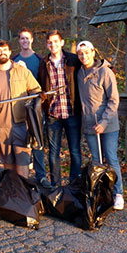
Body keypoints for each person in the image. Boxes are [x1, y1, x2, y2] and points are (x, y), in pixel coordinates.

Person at [76, 41, 124, 210]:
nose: (84, 56)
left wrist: (103, 122)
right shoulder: (80, 73)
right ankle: (101, 192)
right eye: (80, 54)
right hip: (89, 125)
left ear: (93, 52)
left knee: (111, 158)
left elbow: (113, 100)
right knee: (96, 161)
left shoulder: (105, 72)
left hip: (108, 125)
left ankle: (118, 193)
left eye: (87, 53)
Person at [0, 40, 42, 178]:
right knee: (8, 164)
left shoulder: (22, 71)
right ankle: (11, 193)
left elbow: (36, 90)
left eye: (5, 50)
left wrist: (32, 102)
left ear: (10, 52)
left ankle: (23, 193)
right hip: (0, 126)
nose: (2, 53)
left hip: (21, 125)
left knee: (23, 162)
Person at [37, 30, 83, 187]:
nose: (53, 45)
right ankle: (55, 186)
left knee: (75, 151)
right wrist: (42, 97)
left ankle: (74, 185)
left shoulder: (73, 60)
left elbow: (90, 66)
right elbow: (39, 86)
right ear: (47, 44)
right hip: (53, 114)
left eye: (56, 41)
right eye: (50, 42)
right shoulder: (43, 64)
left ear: (62, 43)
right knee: (53, 153)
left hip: (72, 113)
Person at [12, 27, 49, 187]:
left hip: (35, 109)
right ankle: (19, 177)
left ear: (32, 40)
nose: (25, 41)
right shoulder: (13, 61)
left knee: (37, 141)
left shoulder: (40, 60)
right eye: (22, 38)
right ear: (19, 41)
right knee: (20, 143)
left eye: (27, 38)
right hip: (18, 109)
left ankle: (41, 175)